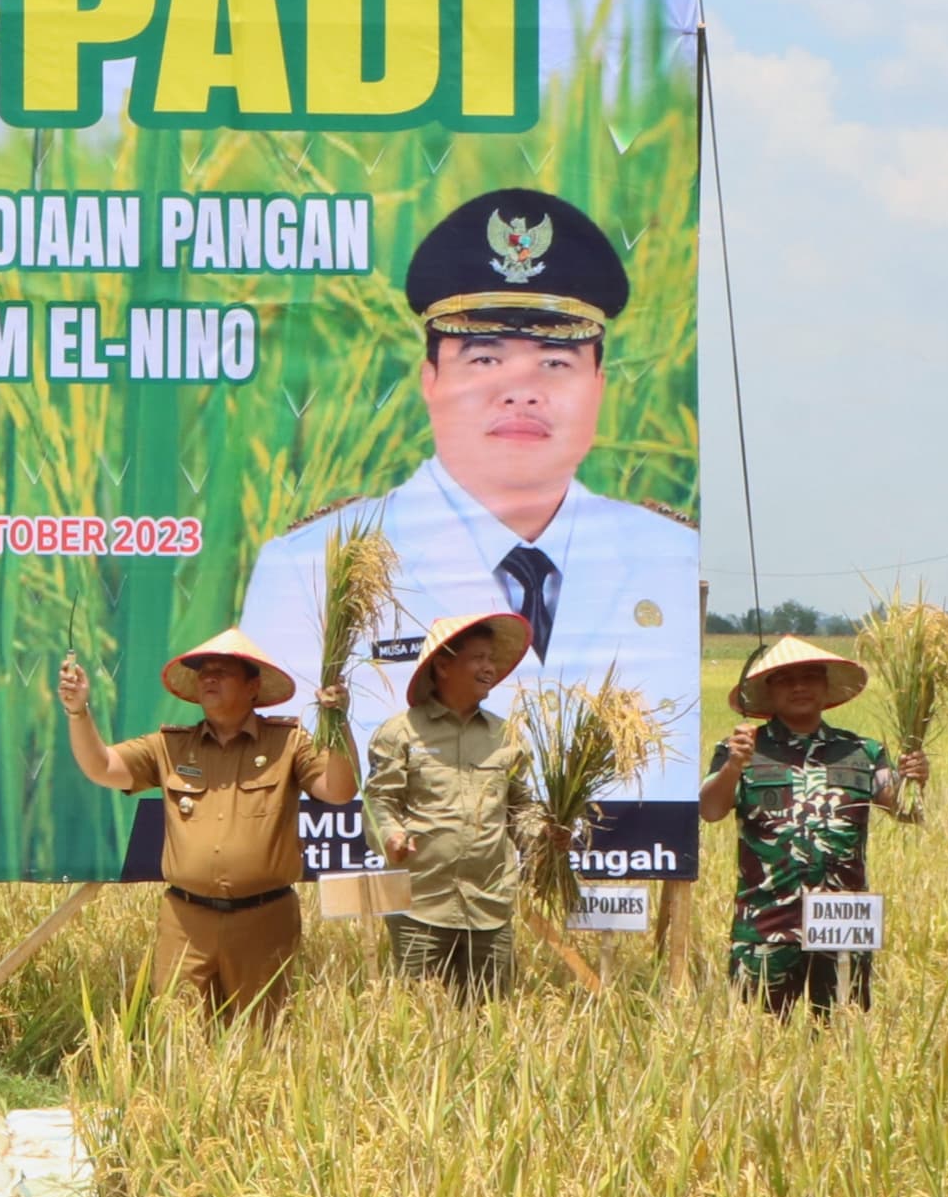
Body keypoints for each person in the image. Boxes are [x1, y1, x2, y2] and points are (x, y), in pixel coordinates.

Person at [234, 186, 702, 849]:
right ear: (429, 379)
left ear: (599, 386)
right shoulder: (312, 565)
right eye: (483, 358)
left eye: (556, 362)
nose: (520, 388)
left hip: (611, 919)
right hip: (392, 918)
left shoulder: (673, 557)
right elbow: (272, 790)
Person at [58, 629, 354, 1022]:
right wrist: (79, 712)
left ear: (252, 687)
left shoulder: (289, 744)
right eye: (203, 671)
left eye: (222, 671)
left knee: (257, 1043)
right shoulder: (169, 746)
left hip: (263, 922)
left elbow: (338, 790)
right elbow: (102, 767)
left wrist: (338, 721)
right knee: (176, 1036)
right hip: (186, 921)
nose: (209, 677)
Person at [703, 634, 925, 1015]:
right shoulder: (739, 749)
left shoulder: (862, 752)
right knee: (758, 1047)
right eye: (786, 679)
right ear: (768, 691)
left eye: (809, 677)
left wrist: (915, 779)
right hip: (767, 923)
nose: (799, 687)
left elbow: (904, 810)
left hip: (843, 923)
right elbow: (710, 809)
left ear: (826, 687)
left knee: (843, 1035)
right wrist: (734, 766)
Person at [358, 608, 535, 999]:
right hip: (420, 906)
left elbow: (521, 808)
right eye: (478, 658)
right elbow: (379, 803)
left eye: (492, 659)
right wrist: (391, 836)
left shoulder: (505, 737)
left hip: (490, 906)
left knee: (489, 1026)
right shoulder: (400, 733)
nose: (489, 668)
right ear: (442, 665)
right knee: (419, 1026)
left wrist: (542, 836)